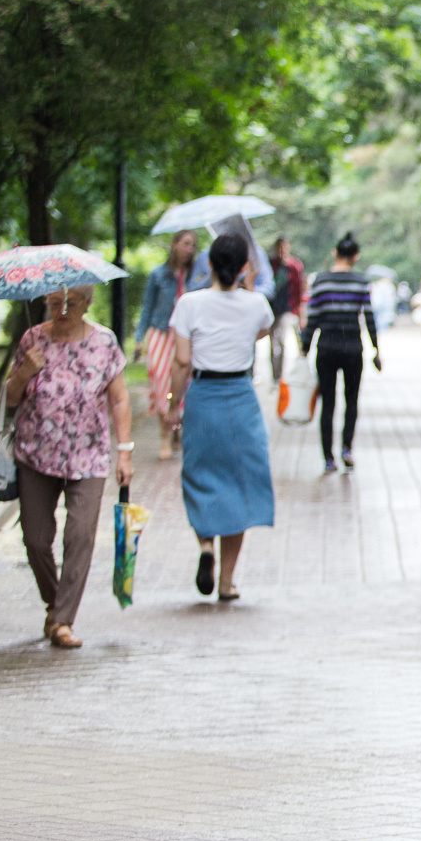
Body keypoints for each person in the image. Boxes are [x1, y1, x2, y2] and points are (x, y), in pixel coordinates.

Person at [5, 285, 133, 648]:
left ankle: (62, 620)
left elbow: (120, 400)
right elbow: (11, 397)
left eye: (72, 304)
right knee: (35, 539)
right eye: (56, 302)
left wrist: (124, 452)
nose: (63, 309)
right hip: (36, 453)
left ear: (87, 304)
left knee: (80, 536)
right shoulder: (32, 338)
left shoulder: (104, 342)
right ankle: (54, 599)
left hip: (88, 455)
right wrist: (25, 371)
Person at [168, 233, 275, 601]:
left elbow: (182, 361)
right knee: (239, 486)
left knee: (200, 478)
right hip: (241, 399)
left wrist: (171, 405)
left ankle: (205, 547)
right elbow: (261, 332)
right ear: (245, 266)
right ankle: (227, 582)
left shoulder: (189, 303)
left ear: (209, 264)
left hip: (203, 397)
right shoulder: (257, 303)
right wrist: (246, 286)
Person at [302, 233, 382, 473]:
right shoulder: (361, 282)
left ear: (335, 253)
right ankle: (347, 447)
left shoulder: (321, 281)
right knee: (351, 400)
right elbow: (369, 317)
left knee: (328, 402)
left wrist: (304, 347)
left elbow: (313, 317)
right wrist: (376, 348)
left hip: (325, 347)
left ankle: (328, 457)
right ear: (355, 257)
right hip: (352, 349)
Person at [133, 229, 197, 458]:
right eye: (185, 243)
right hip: (161, 333)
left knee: (183, 384)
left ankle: (177, 427)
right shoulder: (158, 274)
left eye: (193, 245)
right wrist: (139, 338)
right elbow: (147, 307)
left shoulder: (196, 276)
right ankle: (165, 437)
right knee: (163, 384)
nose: (189, 249)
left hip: (185, 334)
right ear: (174, 244)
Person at [267, 237, 307, 381]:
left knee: (282, 340)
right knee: (272, 344)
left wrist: (300, 312)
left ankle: (282, 376)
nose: (281, 250)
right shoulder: (271, 264)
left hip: (287, 308)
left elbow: (300, 290)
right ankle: (275, 376)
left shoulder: (295, 266)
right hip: (272, 308)